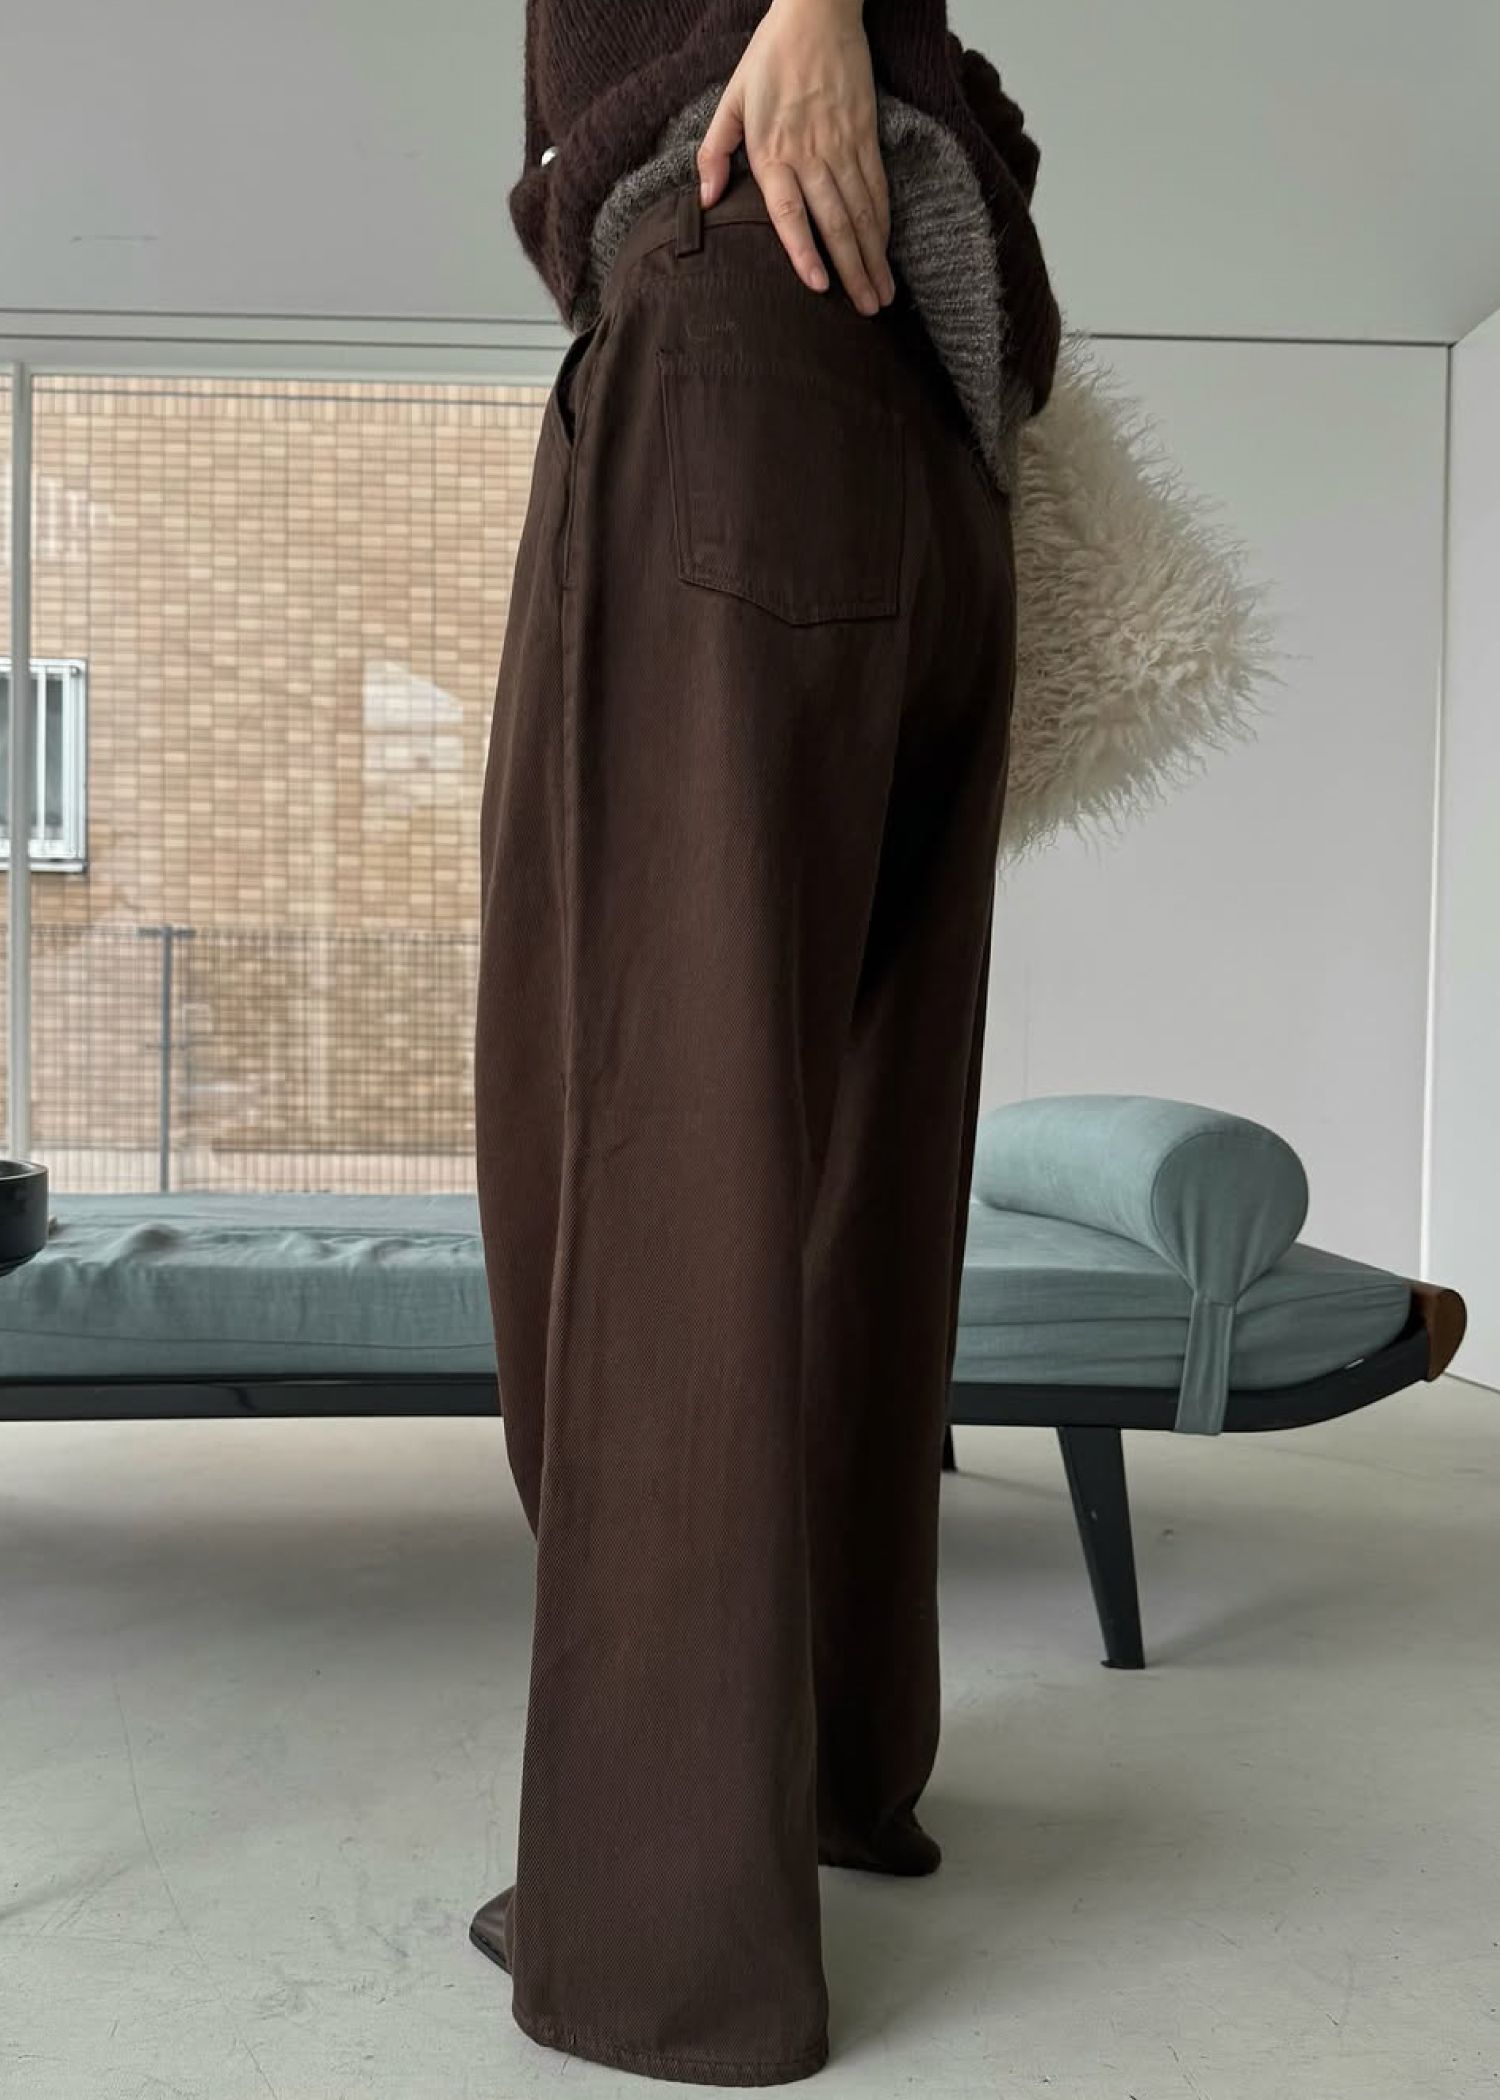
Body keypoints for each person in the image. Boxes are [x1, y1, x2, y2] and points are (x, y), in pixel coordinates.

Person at [469, 0, 1059, 2083]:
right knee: (854, 1147)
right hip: (931, 439)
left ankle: (664, 1937)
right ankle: (826, 1771)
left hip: (726, 340)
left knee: (640, 1132)